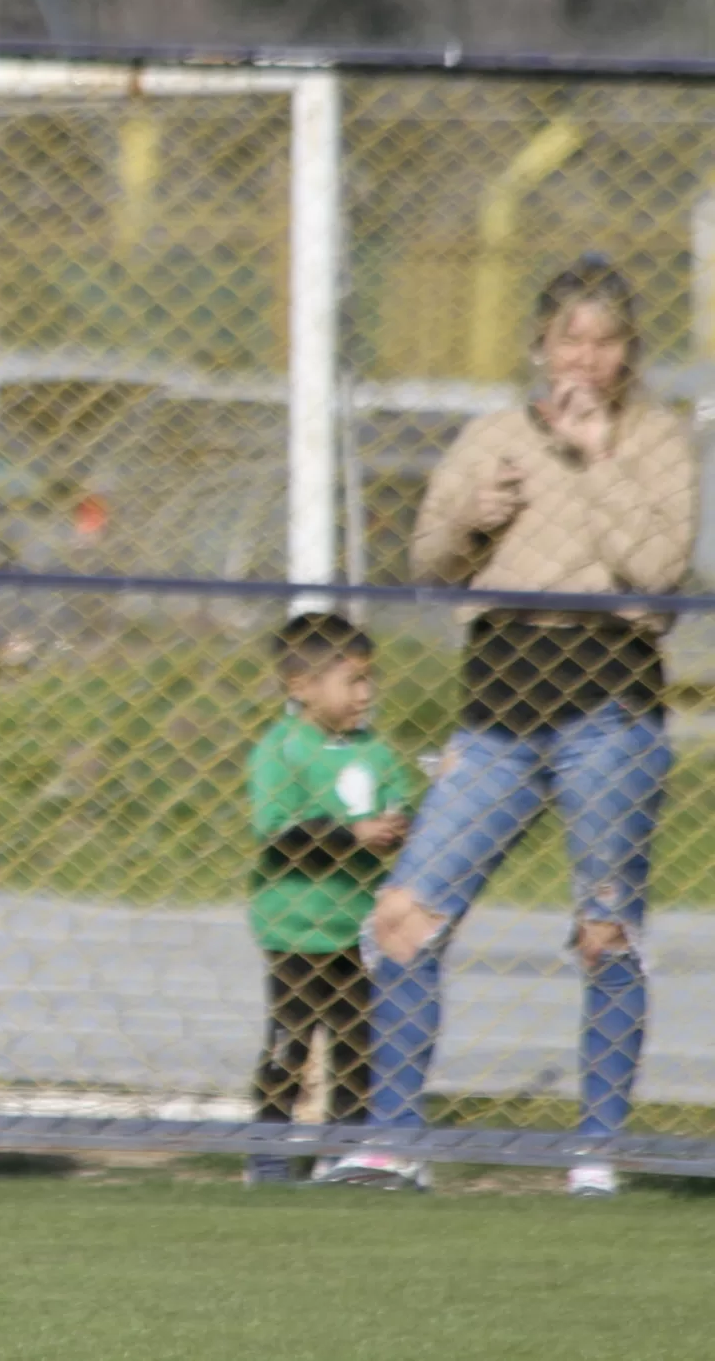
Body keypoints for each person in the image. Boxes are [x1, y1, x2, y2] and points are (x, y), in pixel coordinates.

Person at [326, 256, 695, 1199]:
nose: (585, 354)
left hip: (609, 708)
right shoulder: (492, 433)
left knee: (604, 931)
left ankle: (596, 1152)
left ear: (628, 353)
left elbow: (657, 574)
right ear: (539, 346)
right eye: (569, 336)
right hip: (497, 710)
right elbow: (429, 563)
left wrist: (594, 460)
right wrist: (471, 518)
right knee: (404, 918)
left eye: (604, 339)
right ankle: (394, 1140)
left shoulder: (656, 439)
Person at [242, 613, 412, 1186]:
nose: (365, 693)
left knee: (358, 1044)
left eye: (369, 680)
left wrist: (400, 824)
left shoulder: (376, 749)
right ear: (302, 686)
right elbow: (278, 832)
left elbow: (400, 802)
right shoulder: (282, 749)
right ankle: (267, 1151)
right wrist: (352, 836)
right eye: (352, 681)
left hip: (357, 929)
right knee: (291, 1041)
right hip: (295, 928)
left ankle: (342, 1153)